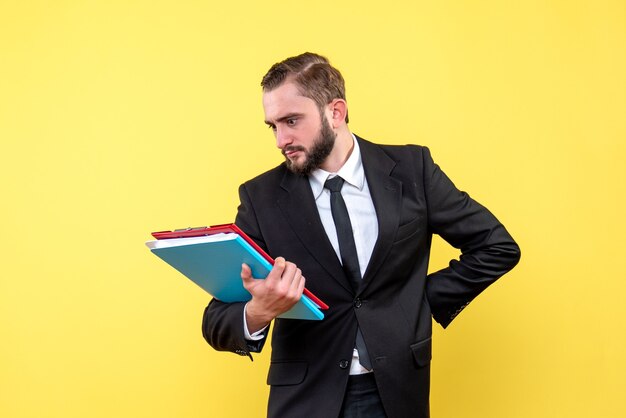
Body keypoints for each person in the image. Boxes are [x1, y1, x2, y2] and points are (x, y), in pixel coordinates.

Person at [202, 52, 521, 418]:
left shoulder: (412, 170)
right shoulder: (261, 198)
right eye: (272, 126)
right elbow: (216, 319)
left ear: (335, 112)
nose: (280, 140)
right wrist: (258, 311)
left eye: (291, 121)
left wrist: (417, 302)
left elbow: (496, 246)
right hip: (307, 400)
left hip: (397, 392)